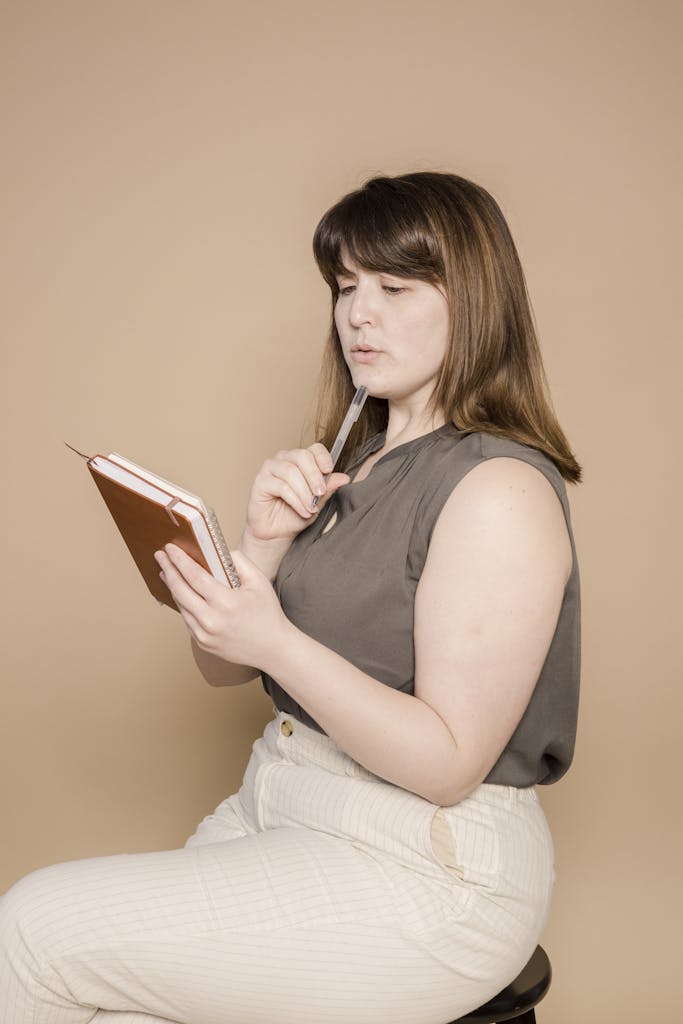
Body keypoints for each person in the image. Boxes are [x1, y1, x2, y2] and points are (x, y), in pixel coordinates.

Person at [0, 171, 581, 1023]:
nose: (358, 314)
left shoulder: (497, 489)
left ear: (475, 300)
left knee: (30, 933)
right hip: (280, 804)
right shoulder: (355, 462)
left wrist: (275, 641)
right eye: (345, 288)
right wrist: (261, 543)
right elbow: (219, 670)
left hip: (426, 867)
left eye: (393, 285)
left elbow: (449, 762)